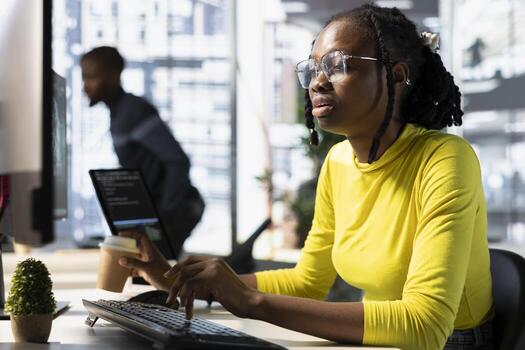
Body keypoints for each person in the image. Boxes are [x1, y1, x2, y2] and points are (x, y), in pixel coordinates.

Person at [117, 4, 494, 350]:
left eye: (339, 64)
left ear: (396, 76)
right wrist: (180, 280)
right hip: (383, 340)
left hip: (452, 342)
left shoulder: (444, 160)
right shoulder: (339, 163)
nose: (318, 82)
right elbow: (307, 282)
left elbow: (425, 324)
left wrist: (252, 302)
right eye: (314, 68)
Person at [81, 46, 204, 259]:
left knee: (154, 276)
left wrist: (163, 216)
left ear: (113, 75)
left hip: (177, 209)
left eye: (91, 77)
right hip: (158, 213)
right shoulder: (118, 114)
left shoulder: (134, 111)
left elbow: (178, 161)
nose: (86, 87)